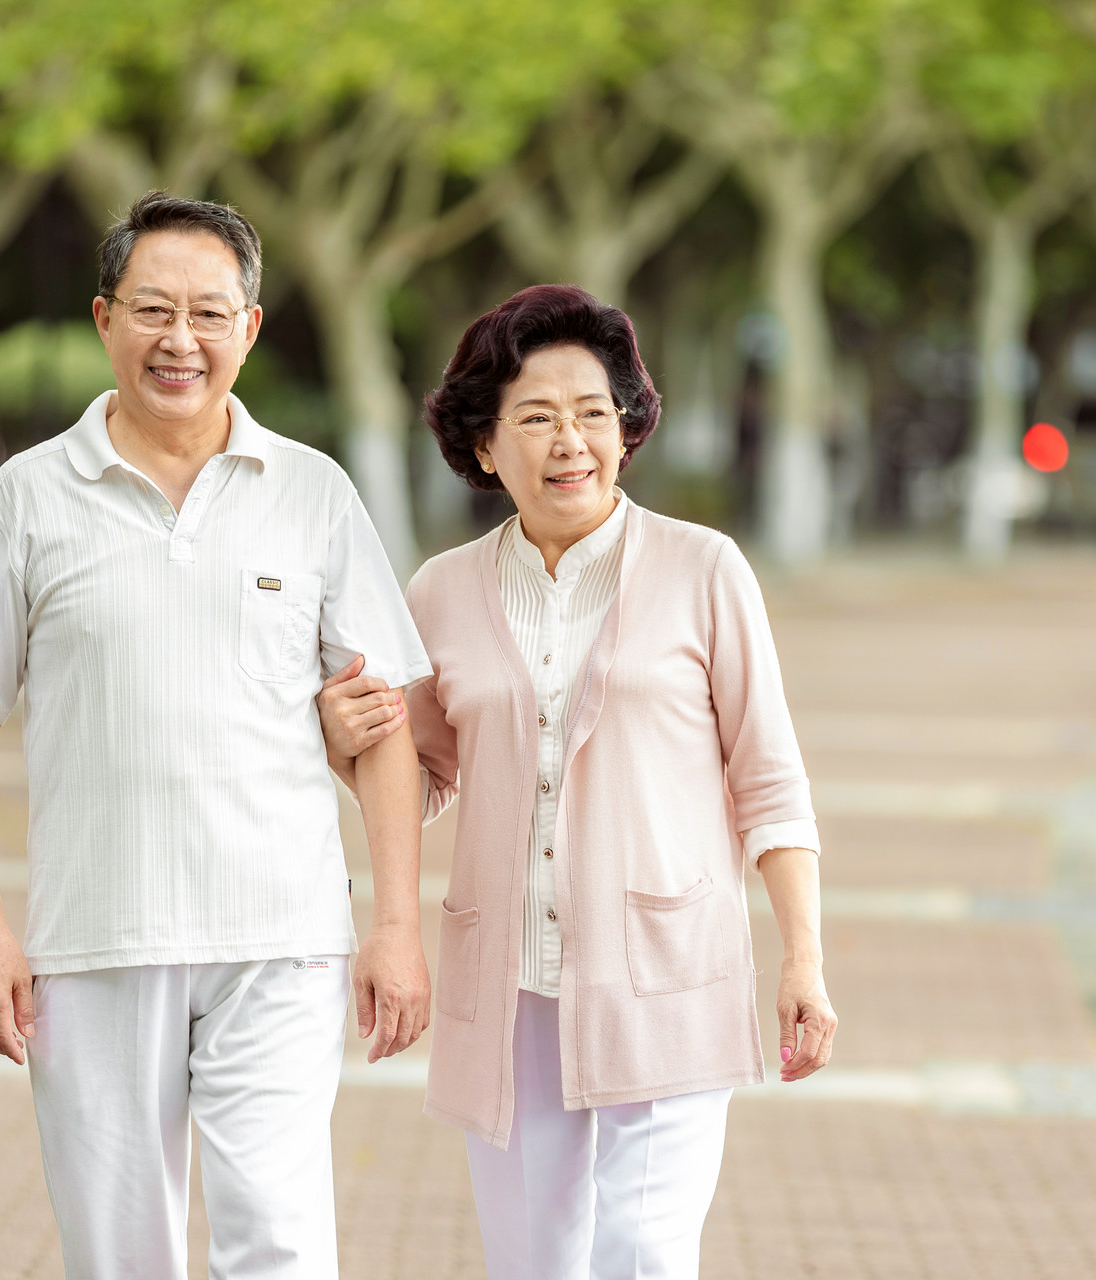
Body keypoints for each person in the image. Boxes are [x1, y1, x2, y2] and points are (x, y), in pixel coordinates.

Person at [0, 191, 432, 1279]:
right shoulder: (24, 498)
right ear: (104, 318)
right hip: (96, 940)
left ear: (249, 329)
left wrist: (397, 922)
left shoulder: (315, 492)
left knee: (284, 1241)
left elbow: (384, 720)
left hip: (281, 937)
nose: (181, 339)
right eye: (154, 309)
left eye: (210, 312)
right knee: (119, 1255)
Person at [319, 284, 837, 1280]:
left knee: (643, 1251)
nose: (572, 442)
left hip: (668, 966)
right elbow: (421, 773)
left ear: (627, 428)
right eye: (539, 418)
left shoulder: (704, 569)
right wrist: (348, 740)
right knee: (534, 1262)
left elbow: (770, 781)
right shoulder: (440, 590)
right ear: (483, 445)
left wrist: (802, 956)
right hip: (509, 985)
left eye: (594, 414)